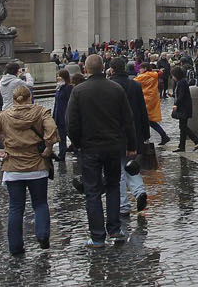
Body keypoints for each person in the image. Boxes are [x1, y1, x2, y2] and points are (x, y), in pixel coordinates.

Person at [66, 54, 138, 247]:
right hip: (114, 146)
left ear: (87, 70)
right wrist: (132, 145)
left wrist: (77, 143)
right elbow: (128, 120)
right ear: (104, 68)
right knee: (114, 186)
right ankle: (115, 229)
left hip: (90, 148)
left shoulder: (79, 91)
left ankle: (97, 236)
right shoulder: (116, 89)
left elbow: (71, 123)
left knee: (92, 191)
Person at [0, 83, 58, 257]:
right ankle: (42, 235)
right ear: (29, 97)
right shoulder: (41, 112)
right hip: (37, 166)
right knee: (40, 203)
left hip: (13, 167)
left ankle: (15, 247)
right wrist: (48, 148)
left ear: (14, 100)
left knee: (16, 207)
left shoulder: (3, 116)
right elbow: (52, 130)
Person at [110, 59, 150, 216]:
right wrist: (145, 133)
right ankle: (140, 192)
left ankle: (123, 205)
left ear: (112, 70)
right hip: (134, 132)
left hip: (115, 134)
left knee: (118, 171)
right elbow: (142, 111)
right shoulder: (135, 85)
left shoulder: (110, 86)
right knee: (130, 167)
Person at [137, 64, 170, 147]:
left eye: (140, 68)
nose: (139, 70)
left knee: (147, 120)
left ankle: (159, 136)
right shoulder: (153, 75)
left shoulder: (143, 76)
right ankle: (162, 136)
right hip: (152, 99)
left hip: (145, 100)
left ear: (144, 68)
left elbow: (133, 82)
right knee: (150, 121)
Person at [170, 66, 198, 152]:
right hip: (185, 107)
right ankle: (181, 146)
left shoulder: (181, 83)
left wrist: (176, 104)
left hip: (183, 108)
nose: (172, 77)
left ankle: (197, 140)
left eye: (173, 75)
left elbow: (181, 96)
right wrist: (173, 96)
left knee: (183, 127)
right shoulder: (182, 82)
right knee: (182, 128)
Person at [52, 70, 73, 160]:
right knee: (61, 137)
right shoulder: (58, 87)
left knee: (70, 134)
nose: (57, 78)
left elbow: (70, 101)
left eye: (59, 76)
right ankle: (62, 154)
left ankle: (76, 150)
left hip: (66, 115)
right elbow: (56, 103)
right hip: (58, 116)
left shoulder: (68, 88)